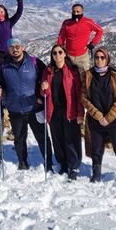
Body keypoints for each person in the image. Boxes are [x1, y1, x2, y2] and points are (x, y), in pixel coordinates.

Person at [0, 38, 54, 172]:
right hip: (15, 109)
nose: (15, 49)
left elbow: (45, 78)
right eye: (11, 47)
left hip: (34, 108)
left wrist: (41, 94)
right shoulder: (4, 66)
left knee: (42, 137)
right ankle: (22, 162)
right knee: (20, 139)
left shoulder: (34, 62)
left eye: (17, 46)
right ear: (8, 50)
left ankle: (48, 162)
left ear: (22, 47)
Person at [81, 47, 116, 185]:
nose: (99, 60)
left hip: (115, 121)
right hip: (96, 121)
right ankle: (96, 175)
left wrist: (109, 117)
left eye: (102, 57)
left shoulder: (115, 76)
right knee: (96, 150)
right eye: (97, 57)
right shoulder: (88, 76)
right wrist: (98, 116)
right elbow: (84, 98)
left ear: (107, 59)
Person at [40, 44, 84, 180]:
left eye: (60, 52)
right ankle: (63, 164)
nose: (57, 55)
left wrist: (80, 113)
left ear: (65, 54)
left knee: (71, 139)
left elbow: (78, 93)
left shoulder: (73, 71)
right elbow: (43, 93)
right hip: (54, 111)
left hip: (70, 110)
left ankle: (74, 165)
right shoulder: (48, 72)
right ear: (52, 56)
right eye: (54, 53)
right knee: (57, 139)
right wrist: (43, 88)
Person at [57, 3, 104, 73]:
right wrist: (59, 50)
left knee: (84, 78)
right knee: (68, 78)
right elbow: (61, 37)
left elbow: (100, 30)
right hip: (68, 56)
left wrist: (93, 43)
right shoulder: (66, 23)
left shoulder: (88, 22)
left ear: (82, 12)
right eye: (74, 12)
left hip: (82, 57)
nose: (75, 13)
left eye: (78, 12)